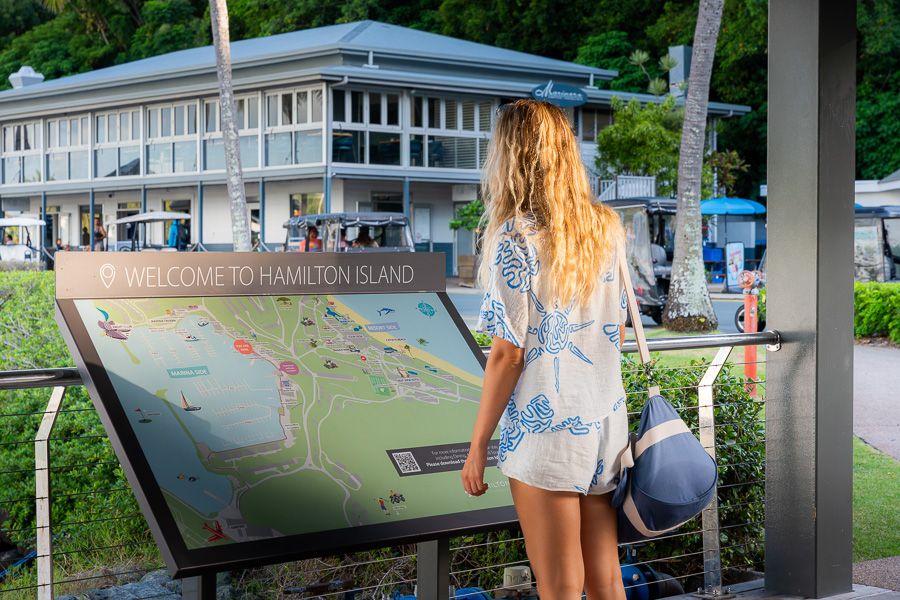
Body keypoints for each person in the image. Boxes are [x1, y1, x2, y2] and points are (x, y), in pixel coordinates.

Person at [461, 100, 629, 600]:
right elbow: (615, 327)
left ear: (511, 156)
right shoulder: (604, 227)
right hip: (604, 426)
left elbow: (507, 354)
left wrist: (478, 445)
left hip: (546, 430)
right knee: (607, 583)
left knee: (559, 588)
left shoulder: (515, 237)